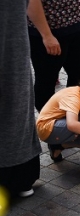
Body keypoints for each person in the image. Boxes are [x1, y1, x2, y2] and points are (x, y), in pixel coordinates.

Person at [0, 0, 42, 200]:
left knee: (18, 104)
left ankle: (20, 179)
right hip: (15, 46)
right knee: (17, 104)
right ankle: (21, 179)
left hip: (15, 47)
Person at [27, 0, 80, 112]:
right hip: (51, 31)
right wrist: (46, 35)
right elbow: (31, 2)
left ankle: (71, 115)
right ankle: (48, 121)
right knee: (46, 81)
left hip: (74, 28)